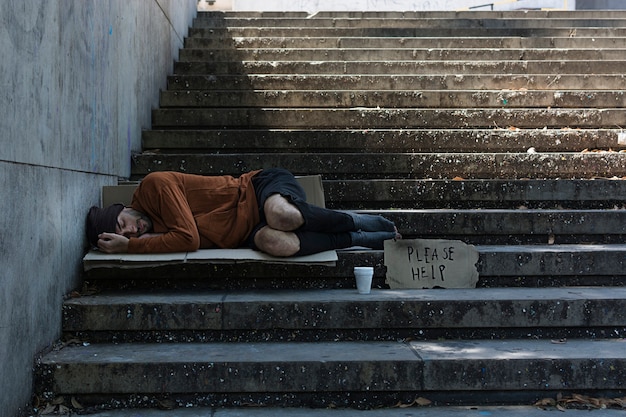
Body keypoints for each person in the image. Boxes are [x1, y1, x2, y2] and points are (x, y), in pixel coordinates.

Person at [86, 168, 400, 257]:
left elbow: (189, 238)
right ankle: (353, 238)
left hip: (258, 190)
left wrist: (131, 247)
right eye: (123, 235)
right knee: (279, 243)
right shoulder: (155, 236)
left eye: (121, 223)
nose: (129, 231)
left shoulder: (154, 186)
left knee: (283, 217)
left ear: (123, 208)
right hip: (247, 233)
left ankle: (356, 219)